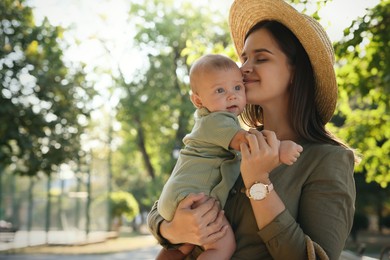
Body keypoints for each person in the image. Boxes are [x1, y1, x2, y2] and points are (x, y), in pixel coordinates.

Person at [148, 0, 357, 259]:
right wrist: (170, 229)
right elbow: (174, 190)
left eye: (261, 58)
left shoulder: (327, 159)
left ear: (295, 72)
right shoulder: (231, 141)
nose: (244, 68)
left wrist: (258, 183)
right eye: (244, 57)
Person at [155, 54, 303, 260]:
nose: (232, 96)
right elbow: (248, 143)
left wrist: (169, 229)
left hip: (182, 195)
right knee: (222, 246)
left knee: (184, 248)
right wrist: (280, 148)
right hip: (192, 197)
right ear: (198, 100)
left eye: (237, 87)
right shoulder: (217, 121)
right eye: (220, 90)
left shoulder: (216, 122)